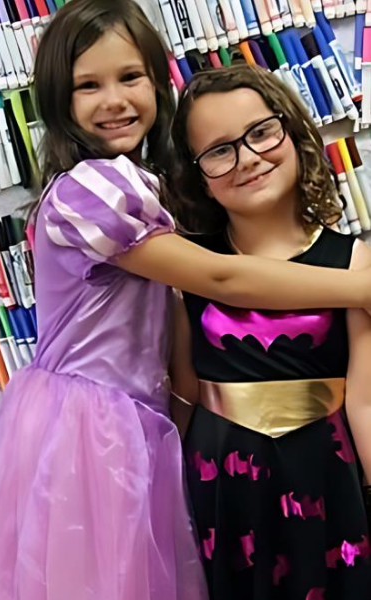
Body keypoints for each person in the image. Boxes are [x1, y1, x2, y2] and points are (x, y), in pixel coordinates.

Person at [0, 1, 371, 599]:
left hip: (136, 422)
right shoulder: (93, 189)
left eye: (130, 78)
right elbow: (222, 280)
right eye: (87, 85)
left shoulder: (141, 184)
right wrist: (361, 285)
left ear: (157, 82)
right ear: (58, 101)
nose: (114, 100)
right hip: (89, 424)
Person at [167, 65, 371, 600]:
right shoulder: (188, 266)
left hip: (325, 477)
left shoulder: (352, 262)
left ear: (294, 134)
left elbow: (366, 405)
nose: (248, 158)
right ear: (198, 177)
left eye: (260, 132)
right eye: (219, 150)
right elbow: (183, 395)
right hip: (218, 486)